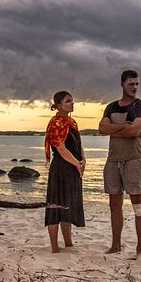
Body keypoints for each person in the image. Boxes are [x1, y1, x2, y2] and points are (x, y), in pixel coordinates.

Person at [98, 69, 141, 254]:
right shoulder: (111, 107)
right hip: (113, 160)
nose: (134, 87)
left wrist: (113, 128)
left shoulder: (140, 106)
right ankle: (115, 245)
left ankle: (140, 248)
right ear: (122, 85)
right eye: (131, 84)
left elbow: (134, 131)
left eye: (137, 84)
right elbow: (101, 129)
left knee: (138, 204)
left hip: (133, 159)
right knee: (114, 204)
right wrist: (123, 127)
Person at [43, 91, 85, 252]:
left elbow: (78, 144)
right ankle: (55, 247)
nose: (72, 103)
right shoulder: (55, 123)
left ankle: (68, 243)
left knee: (68, 206)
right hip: (60, 168)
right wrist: (77, 164)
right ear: (58, 105)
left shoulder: (72, 122)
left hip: (73, 167)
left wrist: (83, 159)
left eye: (72, 101)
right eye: (68, 101)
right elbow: (60, 148)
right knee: (55, 207)